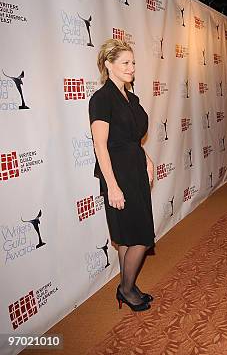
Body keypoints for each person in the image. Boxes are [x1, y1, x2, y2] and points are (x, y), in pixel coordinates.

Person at [89, 38, 155, 312]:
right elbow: (100, 146)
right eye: (125, 63)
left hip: (135, 170)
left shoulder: (131, 97)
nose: (132, 68)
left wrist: (147, 158)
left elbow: (133, 137)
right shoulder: (102, 99)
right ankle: (126, 290)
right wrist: (112, 187)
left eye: (133, 63)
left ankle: (126, 285)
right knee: (140, 237)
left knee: (129, 236)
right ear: (108, 65)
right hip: (118, 176)